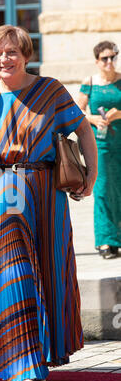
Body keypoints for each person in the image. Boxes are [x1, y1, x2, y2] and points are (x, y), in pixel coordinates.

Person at [0, 25, 97, 381]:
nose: (4, 60)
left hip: (47, 192)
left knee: (50, 271)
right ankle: (27, 366)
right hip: (4, 191)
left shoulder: (50, 90)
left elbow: (83, 130)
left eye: (12, 53)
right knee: (13, 274)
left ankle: (42, 359)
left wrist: (92, 175)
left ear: (26, 54)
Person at [78, 41, 121, 259]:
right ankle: (105, 240)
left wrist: (117, 114)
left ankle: (118, 239)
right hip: (101, 143)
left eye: (113, 56)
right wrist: (94, 118)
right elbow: (78, 111)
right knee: (103, 190)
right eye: (105, 58)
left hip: (120, 141)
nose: (110, 61)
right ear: (97, 61)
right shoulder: (91, 82)